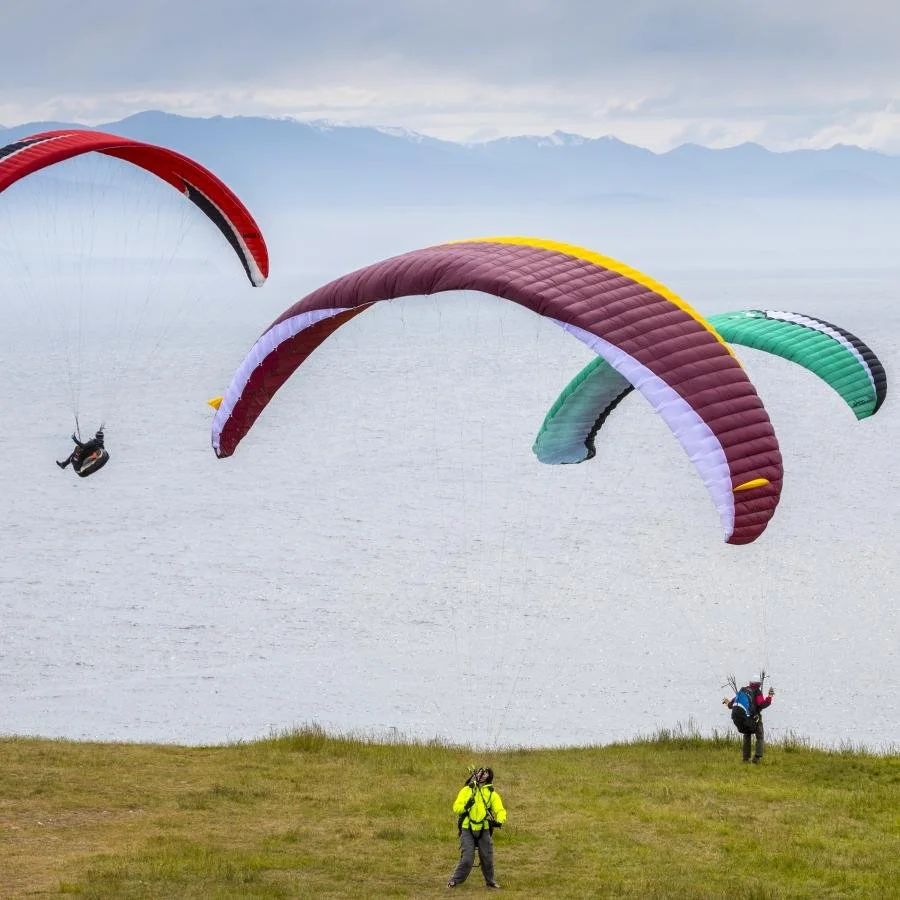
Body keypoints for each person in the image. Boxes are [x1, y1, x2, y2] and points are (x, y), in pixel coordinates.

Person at [447, 766, 507, 889]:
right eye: (481, 772)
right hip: (467, 828)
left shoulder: (491, 793)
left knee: (487, 857)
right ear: (476, 774)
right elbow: (456, 808)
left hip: (484, 828)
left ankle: (490, 882)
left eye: (486, 773)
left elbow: (500, 810)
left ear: (489, 777)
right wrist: (466, 806)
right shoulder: (466, 790)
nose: (483, 774)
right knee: (468, 858)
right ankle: (454, 880)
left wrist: (499, 821)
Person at [724, 680, 775, 763]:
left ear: (750, 683)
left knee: (747, 734)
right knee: (760, 735)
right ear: (758, 684)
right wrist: (770, 696)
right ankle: (757, 758)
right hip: (754, 718)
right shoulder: (757, 691)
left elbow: (731, 705)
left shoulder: (743, 690)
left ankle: (745, 759)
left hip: (744, 717)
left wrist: (727, 702)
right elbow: (762, 704)